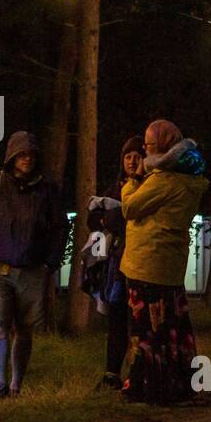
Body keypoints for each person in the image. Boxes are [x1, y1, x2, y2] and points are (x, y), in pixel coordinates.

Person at [0, 131, 67, 398]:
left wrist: (50, 263)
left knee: (24, 329)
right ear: (12, 156)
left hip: (33, 269)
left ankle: (16, 385)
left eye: (31, 155)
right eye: (22, 154)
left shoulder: (47, 190)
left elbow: (60, 226)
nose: (27, 159)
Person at [118, 119, 209, 404]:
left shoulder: (163, 179)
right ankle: (177, 382)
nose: (143, 152)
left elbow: (130, 207)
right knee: (171, 327)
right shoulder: (188, 178)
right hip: (169, 264)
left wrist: (132, 182)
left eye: (147, 146)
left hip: (148, 263)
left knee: (148, 328)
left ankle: (153, 386)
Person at [84, 136, 142, 389]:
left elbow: (131, 218)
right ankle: (111, 374)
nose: (132, 161)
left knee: (139, 321)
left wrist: (114, 219)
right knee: (117, 319)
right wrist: (110, 220)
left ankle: (138, 374)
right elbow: (94, 219)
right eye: (128, 156)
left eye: (137, 156)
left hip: (141, 264)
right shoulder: (115, 187)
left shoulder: (149, 186)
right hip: (116, 267)